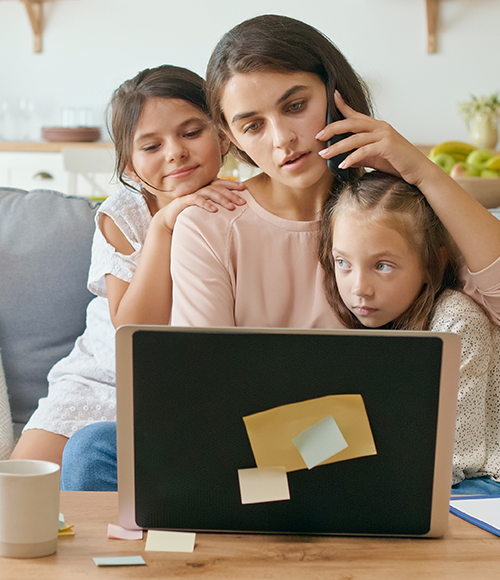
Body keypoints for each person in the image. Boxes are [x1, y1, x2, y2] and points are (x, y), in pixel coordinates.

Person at [61, 14, 500, 490]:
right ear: (231, 136)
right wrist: (294, 456)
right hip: (255, 454)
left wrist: (424, 172)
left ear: (334, 91)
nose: (282, 139)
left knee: (466, 486)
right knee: (93, 450)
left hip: (377, 456)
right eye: (252, 125)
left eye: (295, 106)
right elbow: (207, 392)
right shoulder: (208, 224)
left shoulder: (395, 207)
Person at [10, 64, 246, 470]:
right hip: (100, 377)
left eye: (191, 132)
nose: (175, 151)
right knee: (18, 490)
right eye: (151, 146)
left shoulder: (239, 203)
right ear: (131, 165)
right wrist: (162, 226)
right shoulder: (123, 215)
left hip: (178, 390)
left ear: (223, 135)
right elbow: (133, 332)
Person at [322, 170, 500, 495]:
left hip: (479, 486)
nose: (359, 288)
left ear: (431, 264)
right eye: (343, 262)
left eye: (383, 266)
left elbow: (458, 454)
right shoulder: (379, 315)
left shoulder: (458, 322)